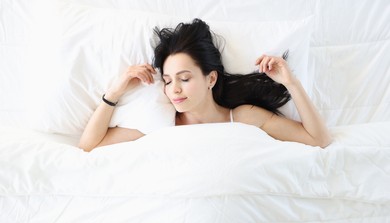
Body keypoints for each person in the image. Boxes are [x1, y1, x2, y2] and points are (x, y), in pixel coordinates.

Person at [79, 19, 332, 152]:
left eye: (184, 78)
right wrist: (115, 91)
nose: (174, 89)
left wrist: (291, 84)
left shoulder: (243, 117)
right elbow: (89, 145)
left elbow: (318, 139)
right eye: (167, 81)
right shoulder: (162, 122)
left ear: (211, 79)